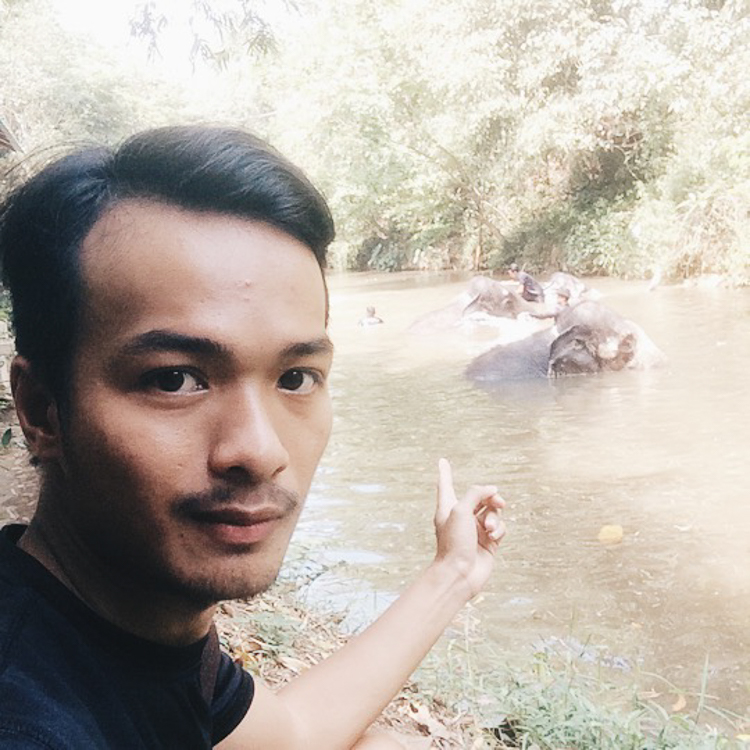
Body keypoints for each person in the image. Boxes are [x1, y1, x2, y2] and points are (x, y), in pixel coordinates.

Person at [0, 126, 505, 749]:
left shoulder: (124, 620)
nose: (262, 452)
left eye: (295, 378)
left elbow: (294, 734)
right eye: (175, 379)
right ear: (42, 410)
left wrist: (454, 572)